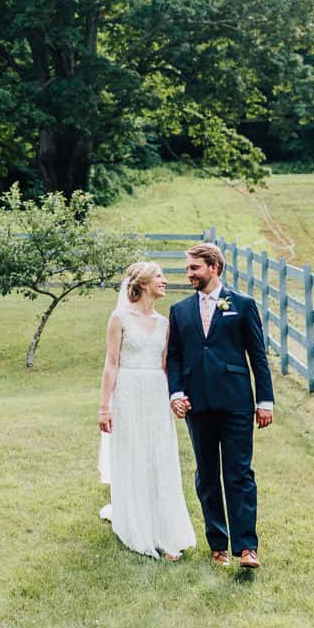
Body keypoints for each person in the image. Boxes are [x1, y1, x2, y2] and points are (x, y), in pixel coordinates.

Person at [166, 243, 274, 570]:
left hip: (236, 402)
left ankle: (247, 547)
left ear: (214, 267)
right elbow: (174, 357)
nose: (189, 274)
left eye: (194, 268)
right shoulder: (179, 310)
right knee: (207, 475)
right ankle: (218, 545)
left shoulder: (242, 305)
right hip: (197, 404)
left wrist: (264, 401)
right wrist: (176, 394)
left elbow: (258, 357)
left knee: (239, 473)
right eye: (188, 268)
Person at [96, 261, 196, 560]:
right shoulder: (119, 318)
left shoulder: (164, 323)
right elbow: (111, 363)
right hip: (127, 392)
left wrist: (176, 396)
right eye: (159, 276)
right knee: (133, 455)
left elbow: (166, 366)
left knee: (159, 456)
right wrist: (104, 408)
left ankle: (166, 532)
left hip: (156, 393)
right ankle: (135, 524)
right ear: (143, 283)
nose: (164, 281)